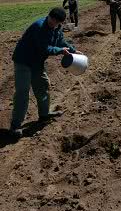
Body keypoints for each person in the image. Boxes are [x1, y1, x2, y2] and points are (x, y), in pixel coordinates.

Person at [9, 7, 82, 139]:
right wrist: (60, 50)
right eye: (52, 21)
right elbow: (44, 48)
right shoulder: (39, 27)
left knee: (43, 86)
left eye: (57, 23)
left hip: (37, 62)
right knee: (22, 92)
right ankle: (15, 125)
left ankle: (44, 115)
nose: (54, 24)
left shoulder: (56, 28)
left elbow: (61, 41)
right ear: (49, 17)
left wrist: (73, 50)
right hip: (23, 61)